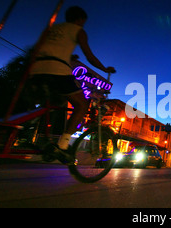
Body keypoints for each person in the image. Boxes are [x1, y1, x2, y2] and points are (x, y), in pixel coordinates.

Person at [30, 6, 115, 163]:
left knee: (57, 102)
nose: (83, 24)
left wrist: (68, 55)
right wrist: (104, 68)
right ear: (80, 20)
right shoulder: (78, 30)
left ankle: (35, 135)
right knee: (82, 105)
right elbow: (89, 56)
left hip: (36, 68)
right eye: (83, 21)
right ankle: (62, 145)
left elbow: (44, 48)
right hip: (57, 69)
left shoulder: (52, 28)